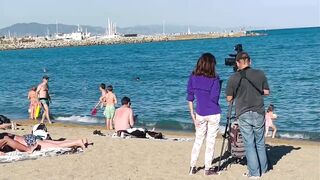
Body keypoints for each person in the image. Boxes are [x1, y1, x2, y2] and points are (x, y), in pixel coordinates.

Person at [226, 52, 269, 178]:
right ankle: (264, 169)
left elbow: (229, 98)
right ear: (249, 61)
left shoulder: (233, 78)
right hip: (258, 110)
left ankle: (254, 173)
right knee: (260, 142)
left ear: (237, 63)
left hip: (243, 112)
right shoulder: (260, 73)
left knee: (249, 144)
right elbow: (266, 92)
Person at [187, 53, 221, 176]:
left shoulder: (193, 77)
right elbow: (214, 98)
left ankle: (192, 167)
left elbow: (190, 98)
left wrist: (192, 115)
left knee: (198, 140)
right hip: (213, 113)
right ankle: (207, 168)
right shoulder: (215, 78)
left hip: (199, 113)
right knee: (210, 141)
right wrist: (219, 85)